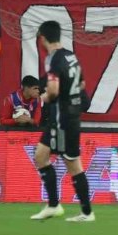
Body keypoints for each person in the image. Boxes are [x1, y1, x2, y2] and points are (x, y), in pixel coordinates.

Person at [31, 20, 94, 222]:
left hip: (61, 118)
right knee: (46, 156)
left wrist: (45, 98)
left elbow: (54, 90)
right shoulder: (70, 55)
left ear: (42, 38)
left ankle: (61, 207)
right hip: (72, 116)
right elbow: (82, 82)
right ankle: (77, 210)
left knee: (67, 162)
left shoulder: (53, 59)